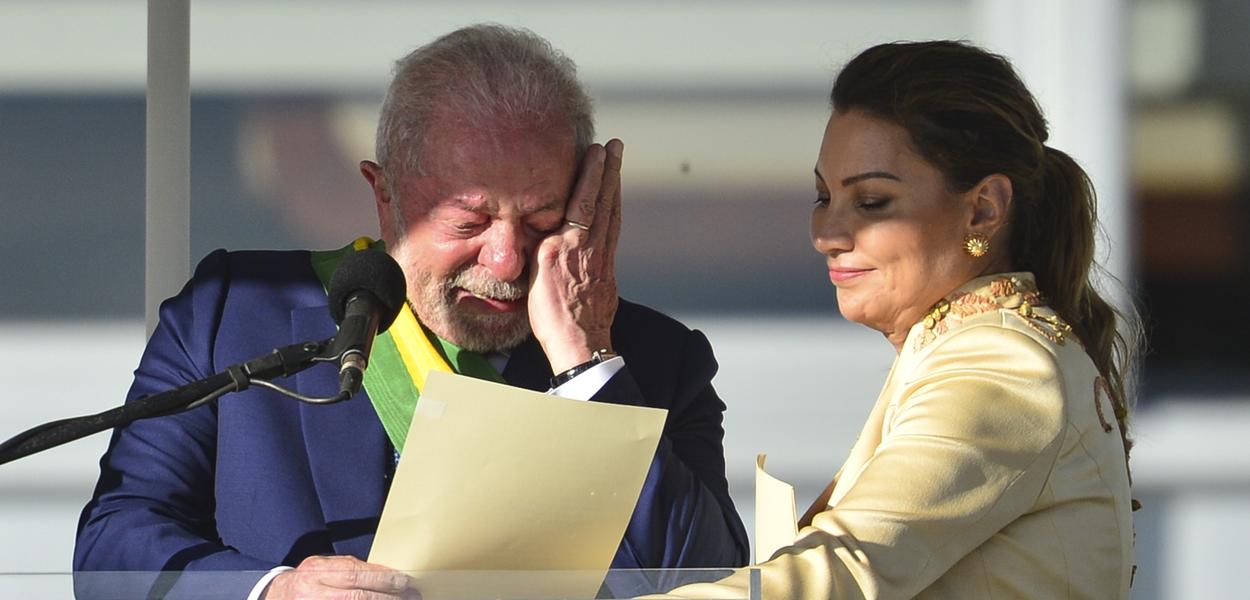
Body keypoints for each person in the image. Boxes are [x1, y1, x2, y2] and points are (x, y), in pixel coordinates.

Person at [73, 24, 748, 600]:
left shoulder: (654, 363)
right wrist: (272, 589)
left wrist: (585, 360)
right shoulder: (231, 313)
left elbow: (707, 583)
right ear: (386, 197)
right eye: (468, 221)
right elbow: (111, 549)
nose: (508, 258)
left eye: (543, 220)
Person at [667, 40, 1141, 599]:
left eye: (871, 202)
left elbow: (841, 574)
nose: (826, 234)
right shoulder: (973, 346)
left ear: (983, 208)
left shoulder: (1001, 365)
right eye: (823, 196)